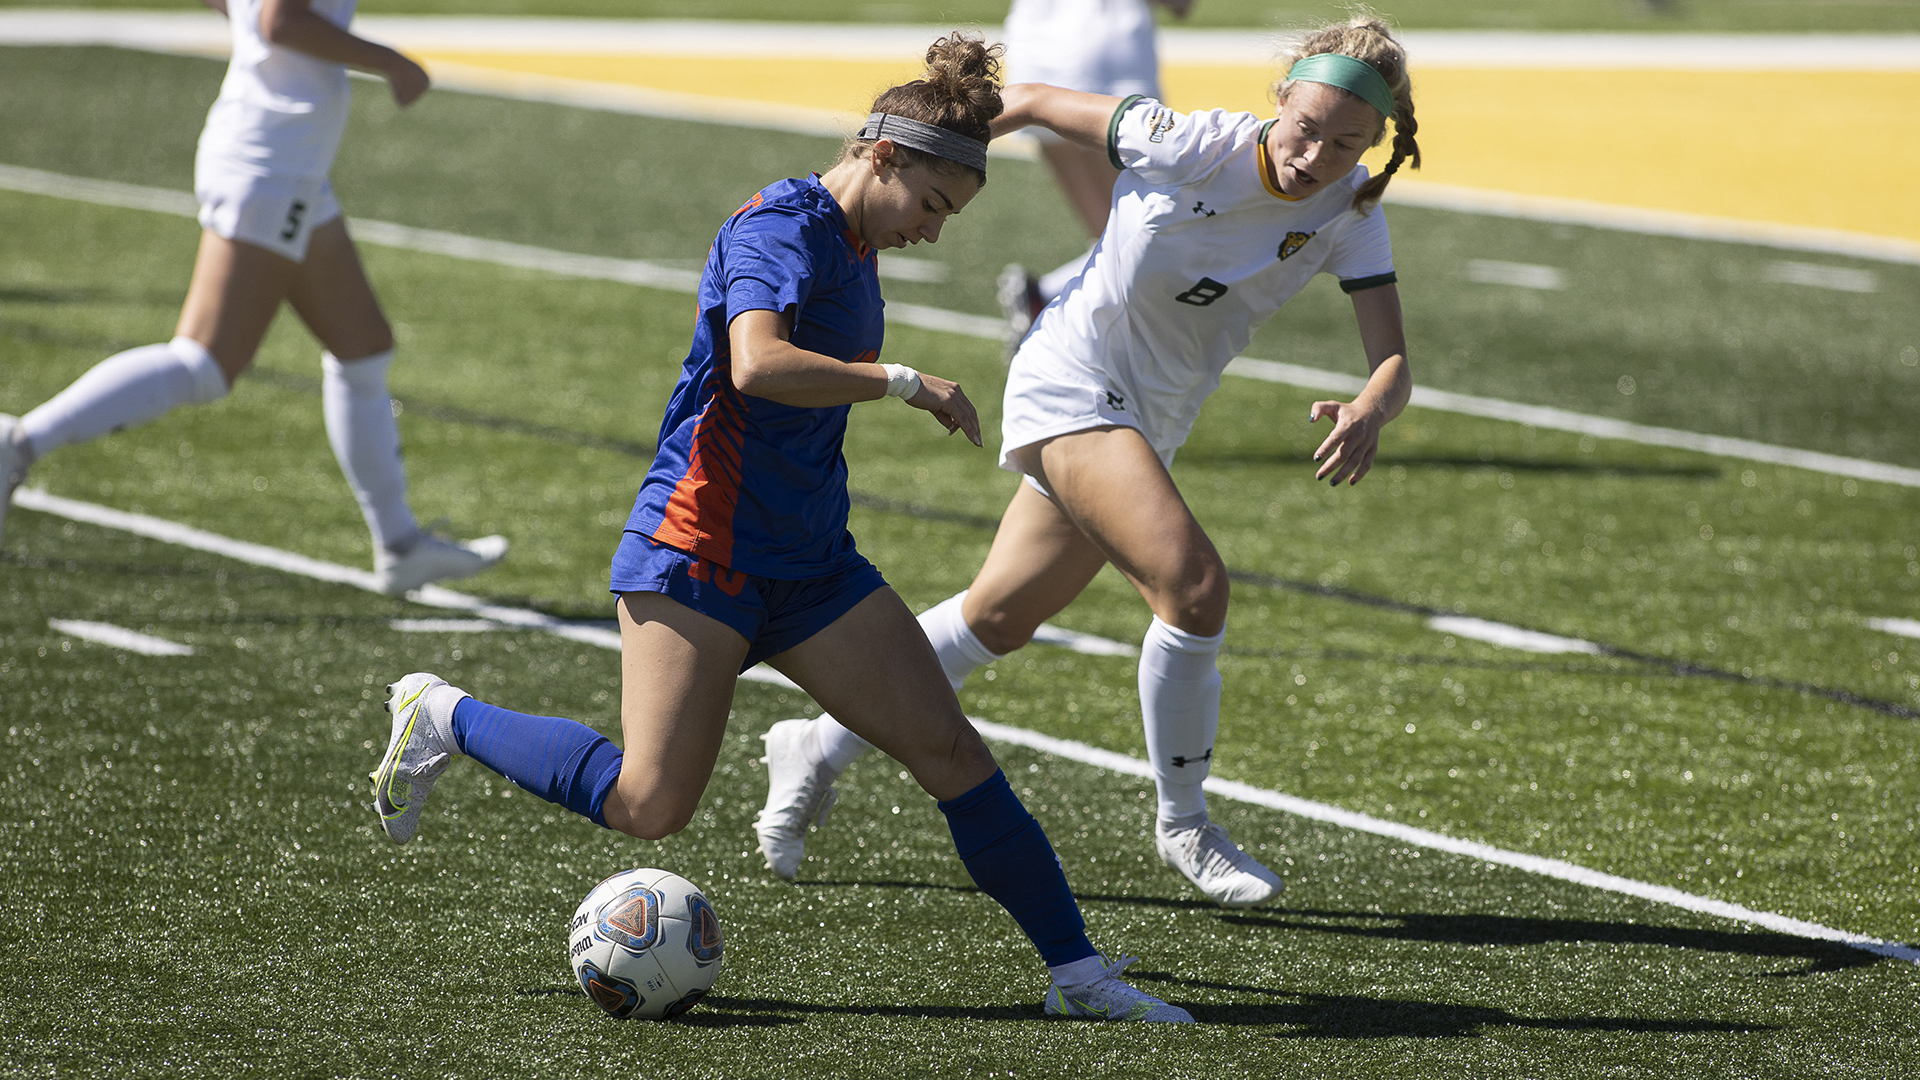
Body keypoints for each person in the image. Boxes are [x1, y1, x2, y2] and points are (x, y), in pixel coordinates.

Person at [368, 36, 1191, 1023]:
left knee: (954, 754)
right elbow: (757, 363)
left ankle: (1080, 977)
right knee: (649, 805)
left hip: (809, 566)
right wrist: (901, 381)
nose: (933, 231)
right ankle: (442, 716)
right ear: (883, 154)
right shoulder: (776, 229)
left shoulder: (856, 246)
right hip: (697, 555)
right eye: (932, 204)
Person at [757, 15, 1419, 910]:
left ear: (1376, 142)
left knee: (998, 616)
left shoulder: (1350, 212)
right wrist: (916, 158)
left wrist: (1373, 405)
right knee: (1193, 588)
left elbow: (1392, 360)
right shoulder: (1181, 141)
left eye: (1348, 143)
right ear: (1280, 101)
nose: (1316, 156)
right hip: (1071, 376)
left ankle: (816, 744)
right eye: (1307, 129)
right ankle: (1185, 820)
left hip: (1153, 418)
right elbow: (1027, 101)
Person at [0, 0, 505, 594]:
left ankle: (400, 546)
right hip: (273, 163)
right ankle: (19, 443)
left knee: (363, 346)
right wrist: (393, 63)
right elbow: (280, 19)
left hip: (288, 159)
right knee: (204, 362)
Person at [994, 0, 1195, 343]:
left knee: (1114, 234)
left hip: (1034, 48)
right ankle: (1047, 301)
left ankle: (1044, 301)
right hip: (1110, 48)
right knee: (1143, 235)